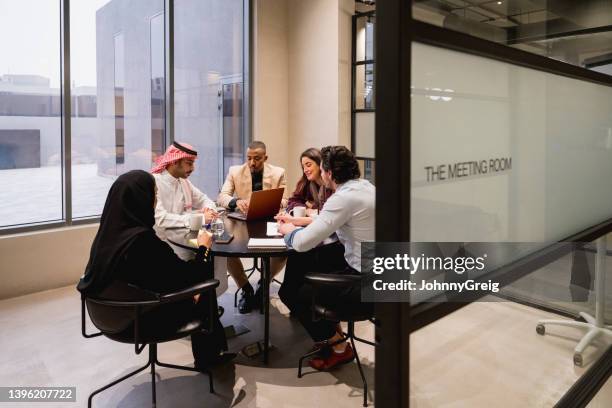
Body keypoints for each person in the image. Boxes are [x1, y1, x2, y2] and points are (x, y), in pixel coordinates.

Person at [77, 170, 233, 368]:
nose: (155, 202)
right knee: (206, 288)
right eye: (154, 196)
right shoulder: (142, 242)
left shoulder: (107, 237)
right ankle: (209, 359)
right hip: (140, 318)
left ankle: (212, 353)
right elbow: (190, 277)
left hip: (107, 315)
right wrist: (203, 247)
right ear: (141, 199)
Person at [278, 146, 374, 371]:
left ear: (329, 173)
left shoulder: (342, 199)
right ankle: (336, 336)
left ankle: (339, 348)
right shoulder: (367, 187)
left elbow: (301, 243)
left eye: (321, 169)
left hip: (363, 282)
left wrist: (288, 230)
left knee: (293, 293)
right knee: (310, 266)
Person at [151, 141, 230, 296]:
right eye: (189, 163)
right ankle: (196, 302)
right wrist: (200, 218)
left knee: (216, 253)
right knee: (206, 257)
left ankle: (208, 304)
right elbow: (160, 219)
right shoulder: (155, 182)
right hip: (166, 244)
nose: (192, 168)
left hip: (188, 238)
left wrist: (208, 210)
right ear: (174, 161)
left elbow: (205, 199)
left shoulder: (184, 182)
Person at [217, 140, 288, 313]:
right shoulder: (235, 171)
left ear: (265, 157)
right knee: (226, 252)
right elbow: (222, 196)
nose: (252, 163)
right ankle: (246, 289)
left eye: (257, 159)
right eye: (249, 158)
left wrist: (271, 202)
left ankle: (263, 284)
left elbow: (285, 200)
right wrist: (236, 201)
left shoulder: (278, 173)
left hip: (269, 221)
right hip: (242, 223)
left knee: (282, 253)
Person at [275, 147, 334, 227]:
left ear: (320, 164)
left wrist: (314, 208)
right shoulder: (306, 182)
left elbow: (325, 216)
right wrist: (306, 209)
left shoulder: (331, 185)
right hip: (312, 225)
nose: (305, 170)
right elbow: (292, 201)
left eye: (308, 165)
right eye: (303, 167)